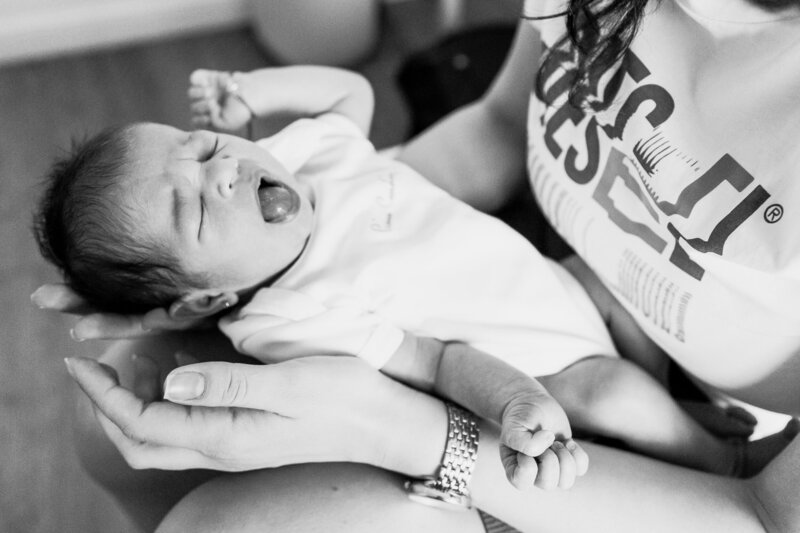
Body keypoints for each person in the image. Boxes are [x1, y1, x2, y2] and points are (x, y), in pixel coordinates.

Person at [32, 0, 800, 531]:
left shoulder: (292, 156)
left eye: (201, 149)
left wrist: (256, 92)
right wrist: (515, 402)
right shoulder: (283, 315)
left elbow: (348, 102)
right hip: (550, 330)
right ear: (212, 295)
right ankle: (690, 436)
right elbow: (436, 346)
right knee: (116, 405)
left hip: (746, 484)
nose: (226, 170)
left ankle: (716, 456)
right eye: (197, 207)